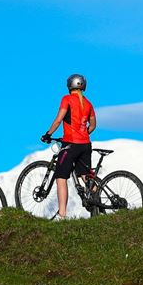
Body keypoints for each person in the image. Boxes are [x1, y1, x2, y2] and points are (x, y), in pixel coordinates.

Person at [41, 74, 97, 220]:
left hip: (71, 144)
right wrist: (83, 133)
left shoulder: (67, 99)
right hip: (85, 144)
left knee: (60, 177)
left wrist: (48, 134)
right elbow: (93, 125)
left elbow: (59, 119)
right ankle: (98, 203)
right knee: (86, 177)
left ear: (69, 86)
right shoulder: (88, 103)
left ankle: (62, 214)